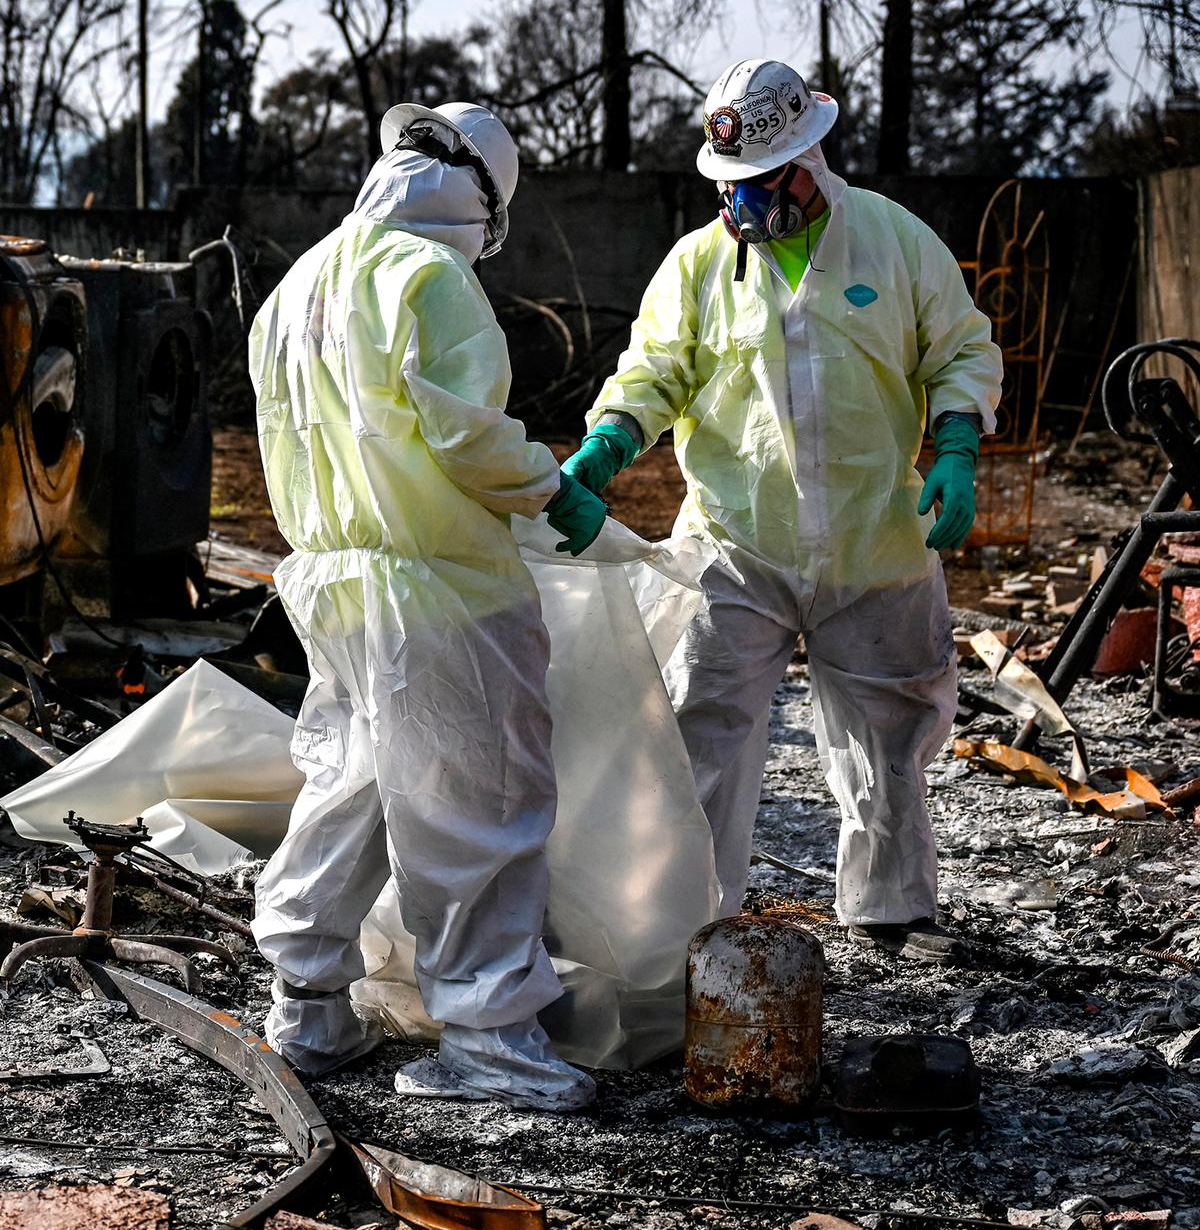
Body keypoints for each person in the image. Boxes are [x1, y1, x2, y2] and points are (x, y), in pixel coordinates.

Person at [562, 58, 1003, 962]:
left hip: (873, 536)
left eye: (760, 186)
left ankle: (891, 908)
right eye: (730, 189)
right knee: (699, 728)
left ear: (810, 160)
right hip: (735, 539)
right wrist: (610, 440)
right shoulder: (698, 266)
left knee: (891, 728)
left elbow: (959, 350)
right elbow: (653, 371)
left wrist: (956, 449)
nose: (745, 207)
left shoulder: (892, 240)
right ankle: (693, 924)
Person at [248, 100, 605, 1108]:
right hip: (438, 583)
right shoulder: (430, 277)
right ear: (484, 201)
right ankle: (490, 1038)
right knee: (479, 802)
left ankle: (307, 1006)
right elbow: (463, 436)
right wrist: (550, 488)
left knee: (350, 786)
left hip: (331, 579)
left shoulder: (300, 284)